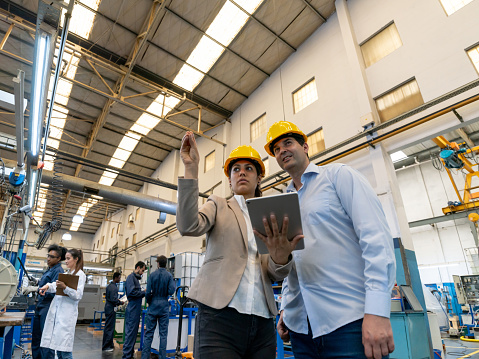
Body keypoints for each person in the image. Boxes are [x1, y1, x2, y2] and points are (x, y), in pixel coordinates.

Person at [262, 121, 396, 359]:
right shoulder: (284, 200)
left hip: (350, 323)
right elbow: (295, 261)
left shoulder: (338, 177)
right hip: (301, 331)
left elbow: (376, 240)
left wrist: (377, 311)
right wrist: (286, 308)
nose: (282, 151)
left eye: (288, 143)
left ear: (305, 147)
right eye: (276, 149)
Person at [176, 131, 302, 359]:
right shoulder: (218, 204)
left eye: (249, 168)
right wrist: (191, 170)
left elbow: (275, 273)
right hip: (219, 319)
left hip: (263, 320)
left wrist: (281, 257)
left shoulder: (270, 213)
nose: (242, 172)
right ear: (230, 180)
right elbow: (188, 226)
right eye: (236, 169)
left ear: (258, 178)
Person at [39, 248, 86, 359]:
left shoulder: (80, 275)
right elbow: (56, 284)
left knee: (65, 351)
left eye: (68, 259)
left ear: (76, 259)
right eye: (66, 258)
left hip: (67, 316)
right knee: (59, 350)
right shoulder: (67, 273)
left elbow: (77, 295)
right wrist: (47, 286)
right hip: (59, 314)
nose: (66, 261)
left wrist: (65, 288)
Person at [27, 244, 66, 359]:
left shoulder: (59, 271)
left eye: (52, 257)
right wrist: (37, 282)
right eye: (48, 256)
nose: (48, 259)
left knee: (46, 339)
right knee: (37, 337)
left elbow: (55, 290)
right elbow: (45, 283)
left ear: (58, 259)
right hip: (40, 305)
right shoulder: (50, 269)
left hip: (48, 307)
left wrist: (37, 289)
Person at [141, 255, 176, 359]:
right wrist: (165, 294)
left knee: (148, 334)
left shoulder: (152, 275)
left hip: (153, 306)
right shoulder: (169, 276)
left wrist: (150, 301)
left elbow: (147, 292)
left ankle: (145, 357)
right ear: (166, 264)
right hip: (164, 306)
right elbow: (171, 290)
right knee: (163, 335)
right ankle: (162, 357)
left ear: (158, 263)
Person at [122, 261, 146, 359]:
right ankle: (126, 356)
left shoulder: (135, 279)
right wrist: (143, 292)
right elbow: (132, 293)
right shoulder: (131, 278)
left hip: (135, 309)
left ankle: (129, 354)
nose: (142, 273)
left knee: (133, 333)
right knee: (130, 333)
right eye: (142, 270)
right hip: (132, 308)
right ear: (138, 268)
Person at [102, 272, 123, 352]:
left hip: (108, 308)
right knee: (109, 328)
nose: (119, 279)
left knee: (109, 327)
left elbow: (111, 298)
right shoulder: (114, 287)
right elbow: (113, 300)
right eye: (119, 278)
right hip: (111, 309)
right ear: (116, 278)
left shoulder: (109, 286)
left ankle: (109, 345)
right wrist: (120, 302)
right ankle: (106, 346)